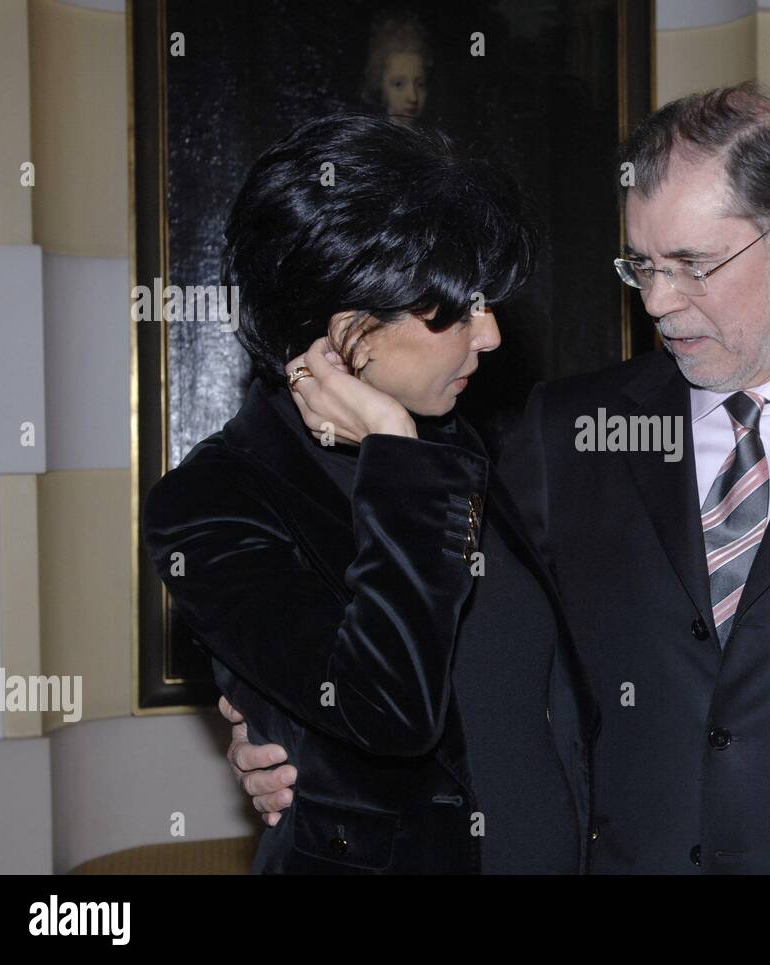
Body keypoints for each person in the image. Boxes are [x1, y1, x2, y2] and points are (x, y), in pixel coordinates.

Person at [230, 83, 770, 874]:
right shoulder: (564, 433)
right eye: (641, 266)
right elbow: (438, 623)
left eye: (691, 265)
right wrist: (285, 726)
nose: (657, 302)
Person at [144, 112, 598, 874]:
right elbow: (390, 710)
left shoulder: (457, 443)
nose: (487, 335)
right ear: (349, 331)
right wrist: (396, 458)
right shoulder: (213, 502)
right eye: (456, 310)